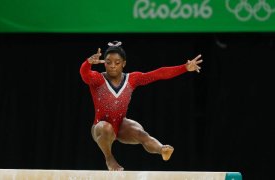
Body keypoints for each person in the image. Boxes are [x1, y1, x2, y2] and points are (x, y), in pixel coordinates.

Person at [80, 41, 203, 171]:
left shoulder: (132, 79)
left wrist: (184, 68)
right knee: (105, 127)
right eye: (108, 62)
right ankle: (109, 159)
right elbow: (84, 74)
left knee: (140, 133)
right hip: (100, 127)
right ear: (104, 63)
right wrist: (88, 63)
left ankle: (161, 149)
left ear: (124, 63)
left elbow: (158, 74)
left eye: (117, 62)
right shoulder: (98, 79)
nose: (112, 66)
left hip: (121, 125)